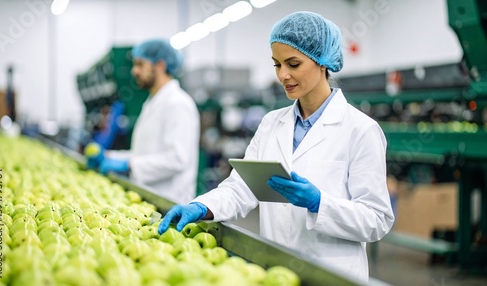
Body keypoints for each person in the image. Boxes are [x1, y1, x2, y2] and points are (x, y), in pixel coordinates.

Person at [158, 11, 394, 281]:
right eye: (277, 64)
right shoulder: (271, 123)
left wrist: (320, 203)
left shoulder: (360, 130)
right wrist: (202, 207)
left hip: (332, 274)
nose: (283, 75)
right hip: (275, 270)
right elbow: (241, 189)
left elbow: (377, 219)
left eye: (293, 64)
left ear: (322, 62)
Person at [89, 39, 200, 204]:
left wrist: (128, 165)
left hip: (170, 203)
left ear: (160, 65)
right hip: (150, 199)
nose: (134, 71)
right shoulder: (152, 102)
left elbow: (177, 159)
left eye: (140, 65)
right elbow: (145, 154)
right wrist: (109, 156)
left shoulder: (178, 104)